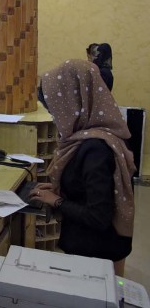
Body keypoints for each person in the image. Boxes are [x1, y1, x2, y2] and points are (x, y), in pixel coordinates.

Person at [31, 59, 135, 276]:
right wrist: (59, 190)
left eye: (57, 108)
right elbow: (88, 191)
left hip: (95, 254)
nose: (56, 116)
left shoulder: (95, 150)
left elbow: (98, 217)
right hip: (94, 248)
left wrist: (57, 201)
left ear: (73, 102)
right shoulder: (94, 136)